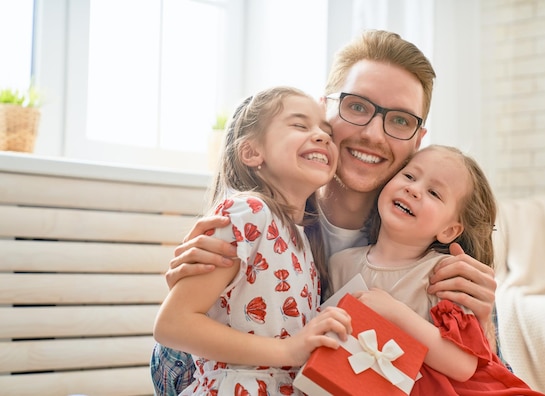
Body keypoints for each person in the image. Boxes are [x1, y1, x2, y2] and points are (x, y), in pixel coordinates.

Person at [152, 30, 500, 394]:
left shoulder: (428, 241)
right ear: (326, 109)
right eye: (357, 106)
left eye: (399, 120)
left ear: (418, 139)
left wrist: (483, 324)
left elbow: (484, 375)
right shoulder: (265, 222)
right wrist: (206, 291)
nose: (374, 134)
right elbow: (173, 361)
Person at [152, 86, 352, 395]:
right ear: (252, 152)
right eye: (300, 125)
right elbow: (172, 325)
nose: (322, 136)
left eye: (326, 131)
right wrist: (290, 351)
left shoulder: (304, 237)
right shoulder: (248, 213)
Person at [333, 145, 544, 395]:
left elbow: (463, 365)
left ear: (449, 231)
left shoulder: (446, 273)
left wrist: (394, 312)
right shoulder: (340, 264)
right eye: (409, 176)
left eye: (433, 193)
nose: (413, 189)